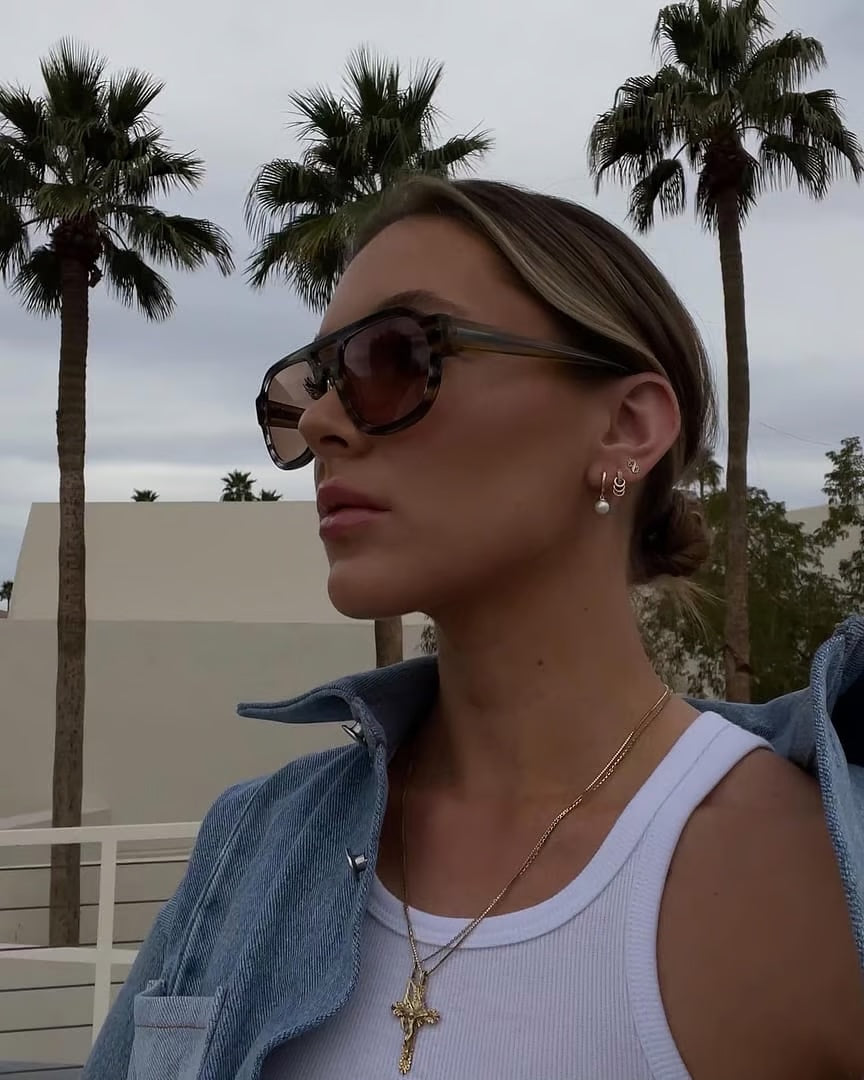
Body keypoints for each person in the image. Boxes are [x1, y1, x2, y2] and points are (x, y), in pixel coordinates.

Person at [83, 178, 864, 1080]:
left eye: (393, 357)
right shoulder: (251, 846)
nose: (323, 422)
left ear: (624, 428)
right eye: (315, 384)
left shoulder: (808, 871)